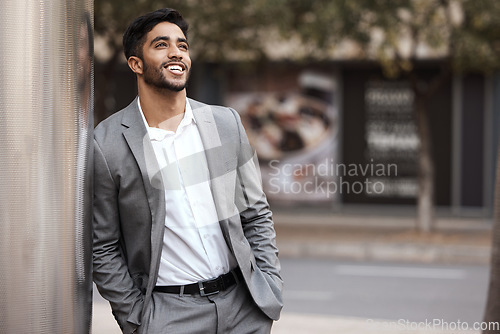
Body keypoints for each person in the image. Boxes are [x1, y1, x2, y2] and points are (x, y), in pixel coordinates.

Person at [92, 8, 283, 334]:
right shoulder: (107, 144)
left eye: (182, 44)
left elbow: (255, 211)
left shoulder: (226, 124)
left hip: (243, 308)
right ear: (136, 64)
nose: (176, 52)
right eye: (161, 45)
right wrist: (137, 318)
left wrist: (269, 283)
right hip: (168, 316)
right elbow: (103, 247)